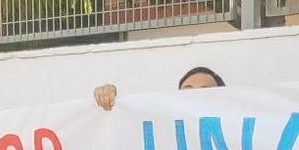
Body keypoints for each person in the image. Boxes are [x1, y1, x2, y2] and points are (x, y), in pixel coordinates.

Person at [93, 65, 225, 110]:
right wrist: (110, 98)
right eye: (187, 92)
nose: (194, 97)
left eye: (205, 92)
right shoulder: (164, 126)